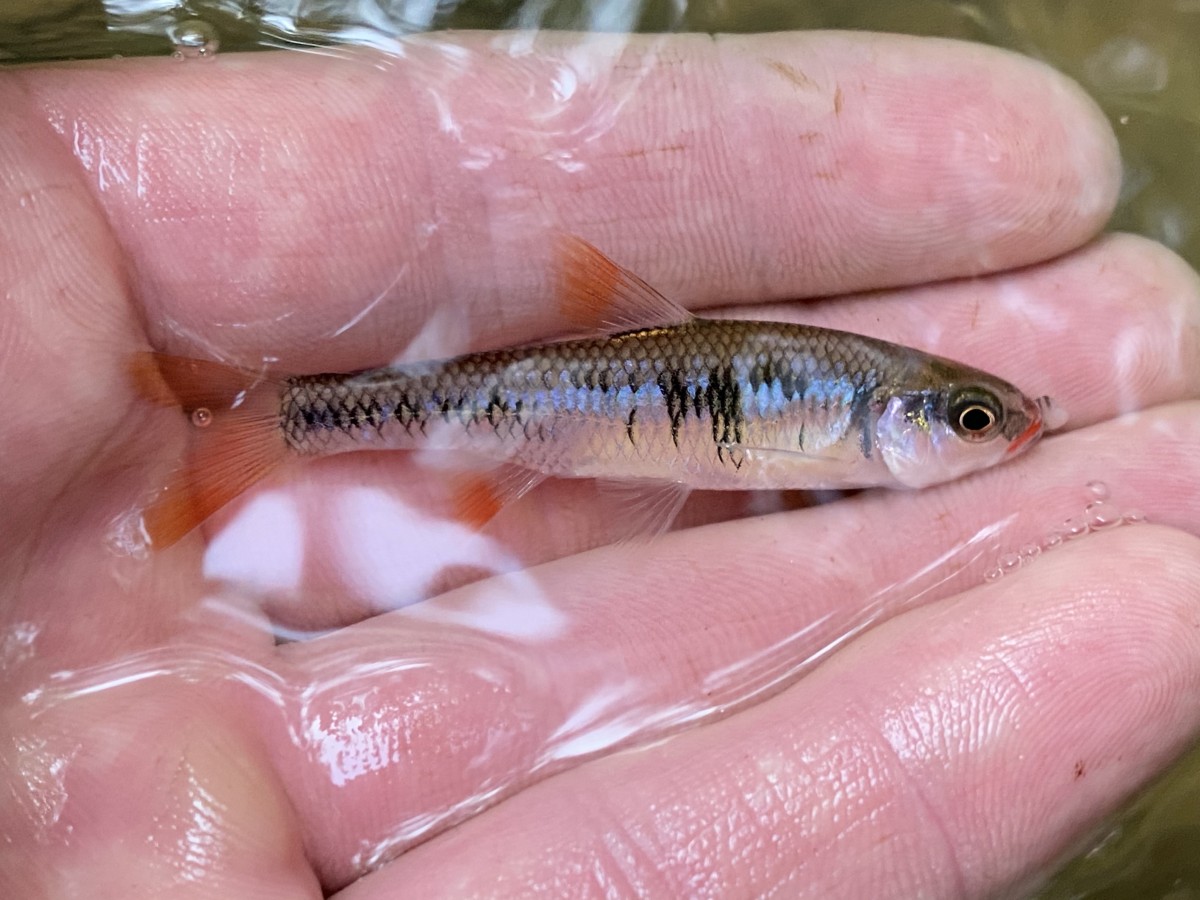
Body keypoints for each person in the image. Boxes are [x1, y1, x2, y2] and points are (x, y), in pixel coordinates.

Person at [2, 29, 1198, 899]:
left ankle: (289, 425)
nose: (994, 435)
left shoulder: (851, 391)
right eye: (976, 423)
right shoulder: (849, 393)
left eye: (977, 421)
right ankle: (288, 423)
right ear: (896, 420)